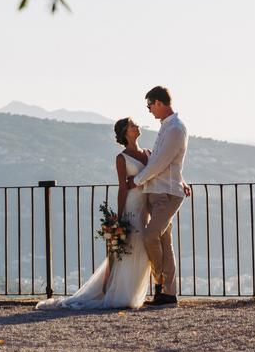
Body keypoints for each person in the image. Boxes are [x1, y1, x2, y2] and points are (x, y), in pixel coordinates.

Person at [36, 117, 153, 310]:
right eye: (133, 125)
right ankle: (122, 294)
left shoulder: (148, 153)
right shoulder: (121, 158)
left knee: (142, 250)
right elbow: (122, 188)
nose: (137, 126)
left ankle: (133, 293)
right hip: (132, 207)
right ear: (126, 132)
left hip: (145, 207)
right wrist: (119, 216)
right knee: (130, 249)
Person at [124, 85, 188, 306]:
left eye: (150, 105)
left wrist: (137, 180)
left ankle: (161, 284)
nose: (149, 110)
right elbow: (166, 160)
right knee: (163, 240)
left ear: (159, 103)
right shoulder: (167, 128)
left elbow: (160, 163)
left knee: (151, 235)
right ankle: (167, 293)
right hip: (158, 191)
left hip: (166, 193)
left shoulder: (175, 129)